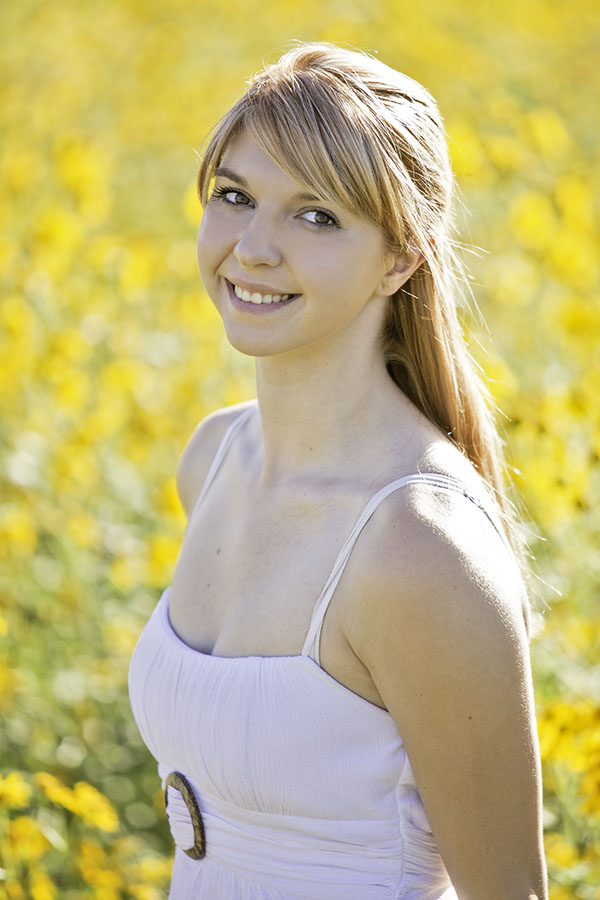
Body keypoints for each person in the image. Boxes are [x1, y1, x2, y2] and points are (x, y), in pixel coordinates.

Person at [128, 41, 548, 900]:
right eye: (235, 197)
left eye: (315, 216)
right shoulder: (212, 460)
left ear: (401, 258)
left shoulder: (418, 546)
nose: (251, 248)